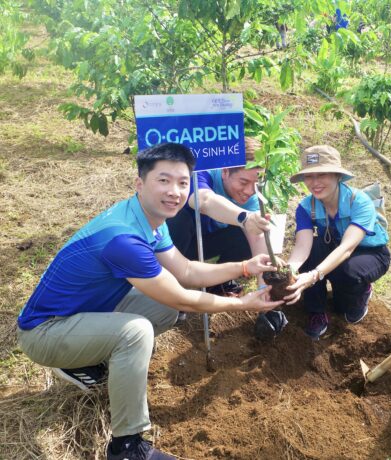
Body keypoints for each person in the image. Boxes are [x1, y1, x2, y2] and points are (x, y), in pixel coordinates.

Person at [16, 143, 283, 460]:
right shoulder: (123, 238)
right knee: (137, 331)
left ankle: (91, 360)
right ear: (139, 183)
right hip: (44, 332)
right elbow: (187, 296)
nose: (175, 192)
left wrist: (243, 267)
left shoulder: (148, 219)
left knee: (166, 308)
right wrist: (244, 304)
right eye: (164, 180)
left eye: (183, 183)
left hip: (83, 312)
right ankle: (127, 447)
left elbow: (185, 270)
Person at [282, 145, 391, 339]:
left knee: (346, 285)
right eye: (309, 176)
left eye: (322, 174)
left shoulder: (359, 201)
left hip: (369, 254)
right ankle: (316, 312)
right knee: (312, 251)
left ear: (337, 176)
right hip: (334, 250)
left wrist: (315, 275)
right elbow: (302, 246)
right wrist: (288, 271)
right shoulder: (306, 207)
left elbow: (347, 248)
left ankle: (361, 290)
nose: (314, 183)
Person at [166, 137, 270, 296]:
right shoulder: (201, 172)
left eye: (256, 184)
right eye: (243, 182)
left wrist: (264, 290)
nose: (249, 191)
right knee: (179, 219)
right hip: (175, 245)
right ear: (225, 171)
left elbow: (258, 242)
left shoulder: (252, 197)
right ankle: (171, 284)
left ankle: (217, 283)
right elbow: (204, 200)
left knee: (245, 236)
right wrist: (244, 217)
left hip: (208, 243)